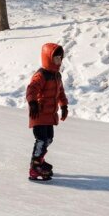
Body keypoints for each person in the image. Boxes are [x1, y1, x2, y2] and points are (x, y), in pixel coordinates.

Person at [25, 42, 70, 182]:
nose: (59, 61)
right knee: (41, 139)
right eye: (56, 58)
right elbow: (31, 89)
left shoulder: (57, 76)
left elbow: (60, 92)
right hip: (38, 113)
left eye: (60, 59)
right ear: (48, 58)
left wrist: (64, 106)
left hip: (50, 115)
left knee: (49, 139)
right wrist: (32, 103)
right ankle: (35, 166)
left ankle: (40, 160)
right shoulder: (41, 75)